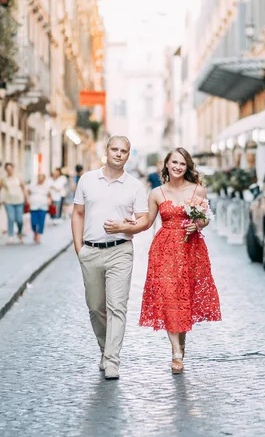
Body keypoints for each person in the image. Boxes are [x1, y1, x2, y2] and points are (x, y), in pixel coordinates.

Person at [71, 136, 149, 380]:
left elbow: (144, 219)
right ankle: (105, 349)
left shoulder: (135, 186)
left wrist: (126, 228)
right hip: (91, 251)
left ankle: (112, 359)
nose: (118, 154)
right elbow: (78, 213)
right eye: (114, 149)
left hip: (120, 251)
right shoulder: (87, 179)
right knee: (96, 308)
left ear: (128, 155)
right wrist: (79, 248)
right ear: (106, 151)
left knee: (117, 307)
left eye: (123, 151)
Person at [139, 147, 221, 374]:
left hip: (191, 249)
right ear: (166, 164)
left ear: (187, 167)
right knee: (169, 297)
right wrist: (127, 225)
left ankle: (180, 342)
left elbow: (205, 218)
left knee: (184, 298)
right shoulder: (156, 193)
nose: (177, 166)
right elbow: (147, 221)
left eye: (182, 163)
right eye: (174, 162)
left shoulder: (198, 190)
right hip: (164, 249)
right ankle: (176, 351)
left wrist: (199, 224)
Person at [0, 162, 26, 244]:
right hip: (8, 201)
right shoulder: (4, 179)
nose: (9, 170)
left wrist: (27, 198)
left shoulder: (18, 177)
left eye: (10, 169)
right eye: (7, 169)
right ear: (6, 170)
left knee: (19, 220)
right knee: (11, 218)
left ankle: (19, 232)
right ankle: (11, 236)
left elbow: (24, 188)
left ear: (13, 168)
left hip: (19, 201)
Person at [26, 174, 52, 244]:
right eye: (39, 178)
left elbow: (50, 195)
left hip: (43, 206)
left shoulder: (46, 186)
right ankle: (35, 232)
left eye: (42, 178)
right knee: (33, 222)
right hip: (33, 206)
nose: (40, 180)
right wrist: (27, 199)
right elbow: (27, 192)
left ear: (44, 179)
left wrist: (49, 200)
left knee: (41, 222)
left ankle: (39, 236)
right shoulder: (32, 185)